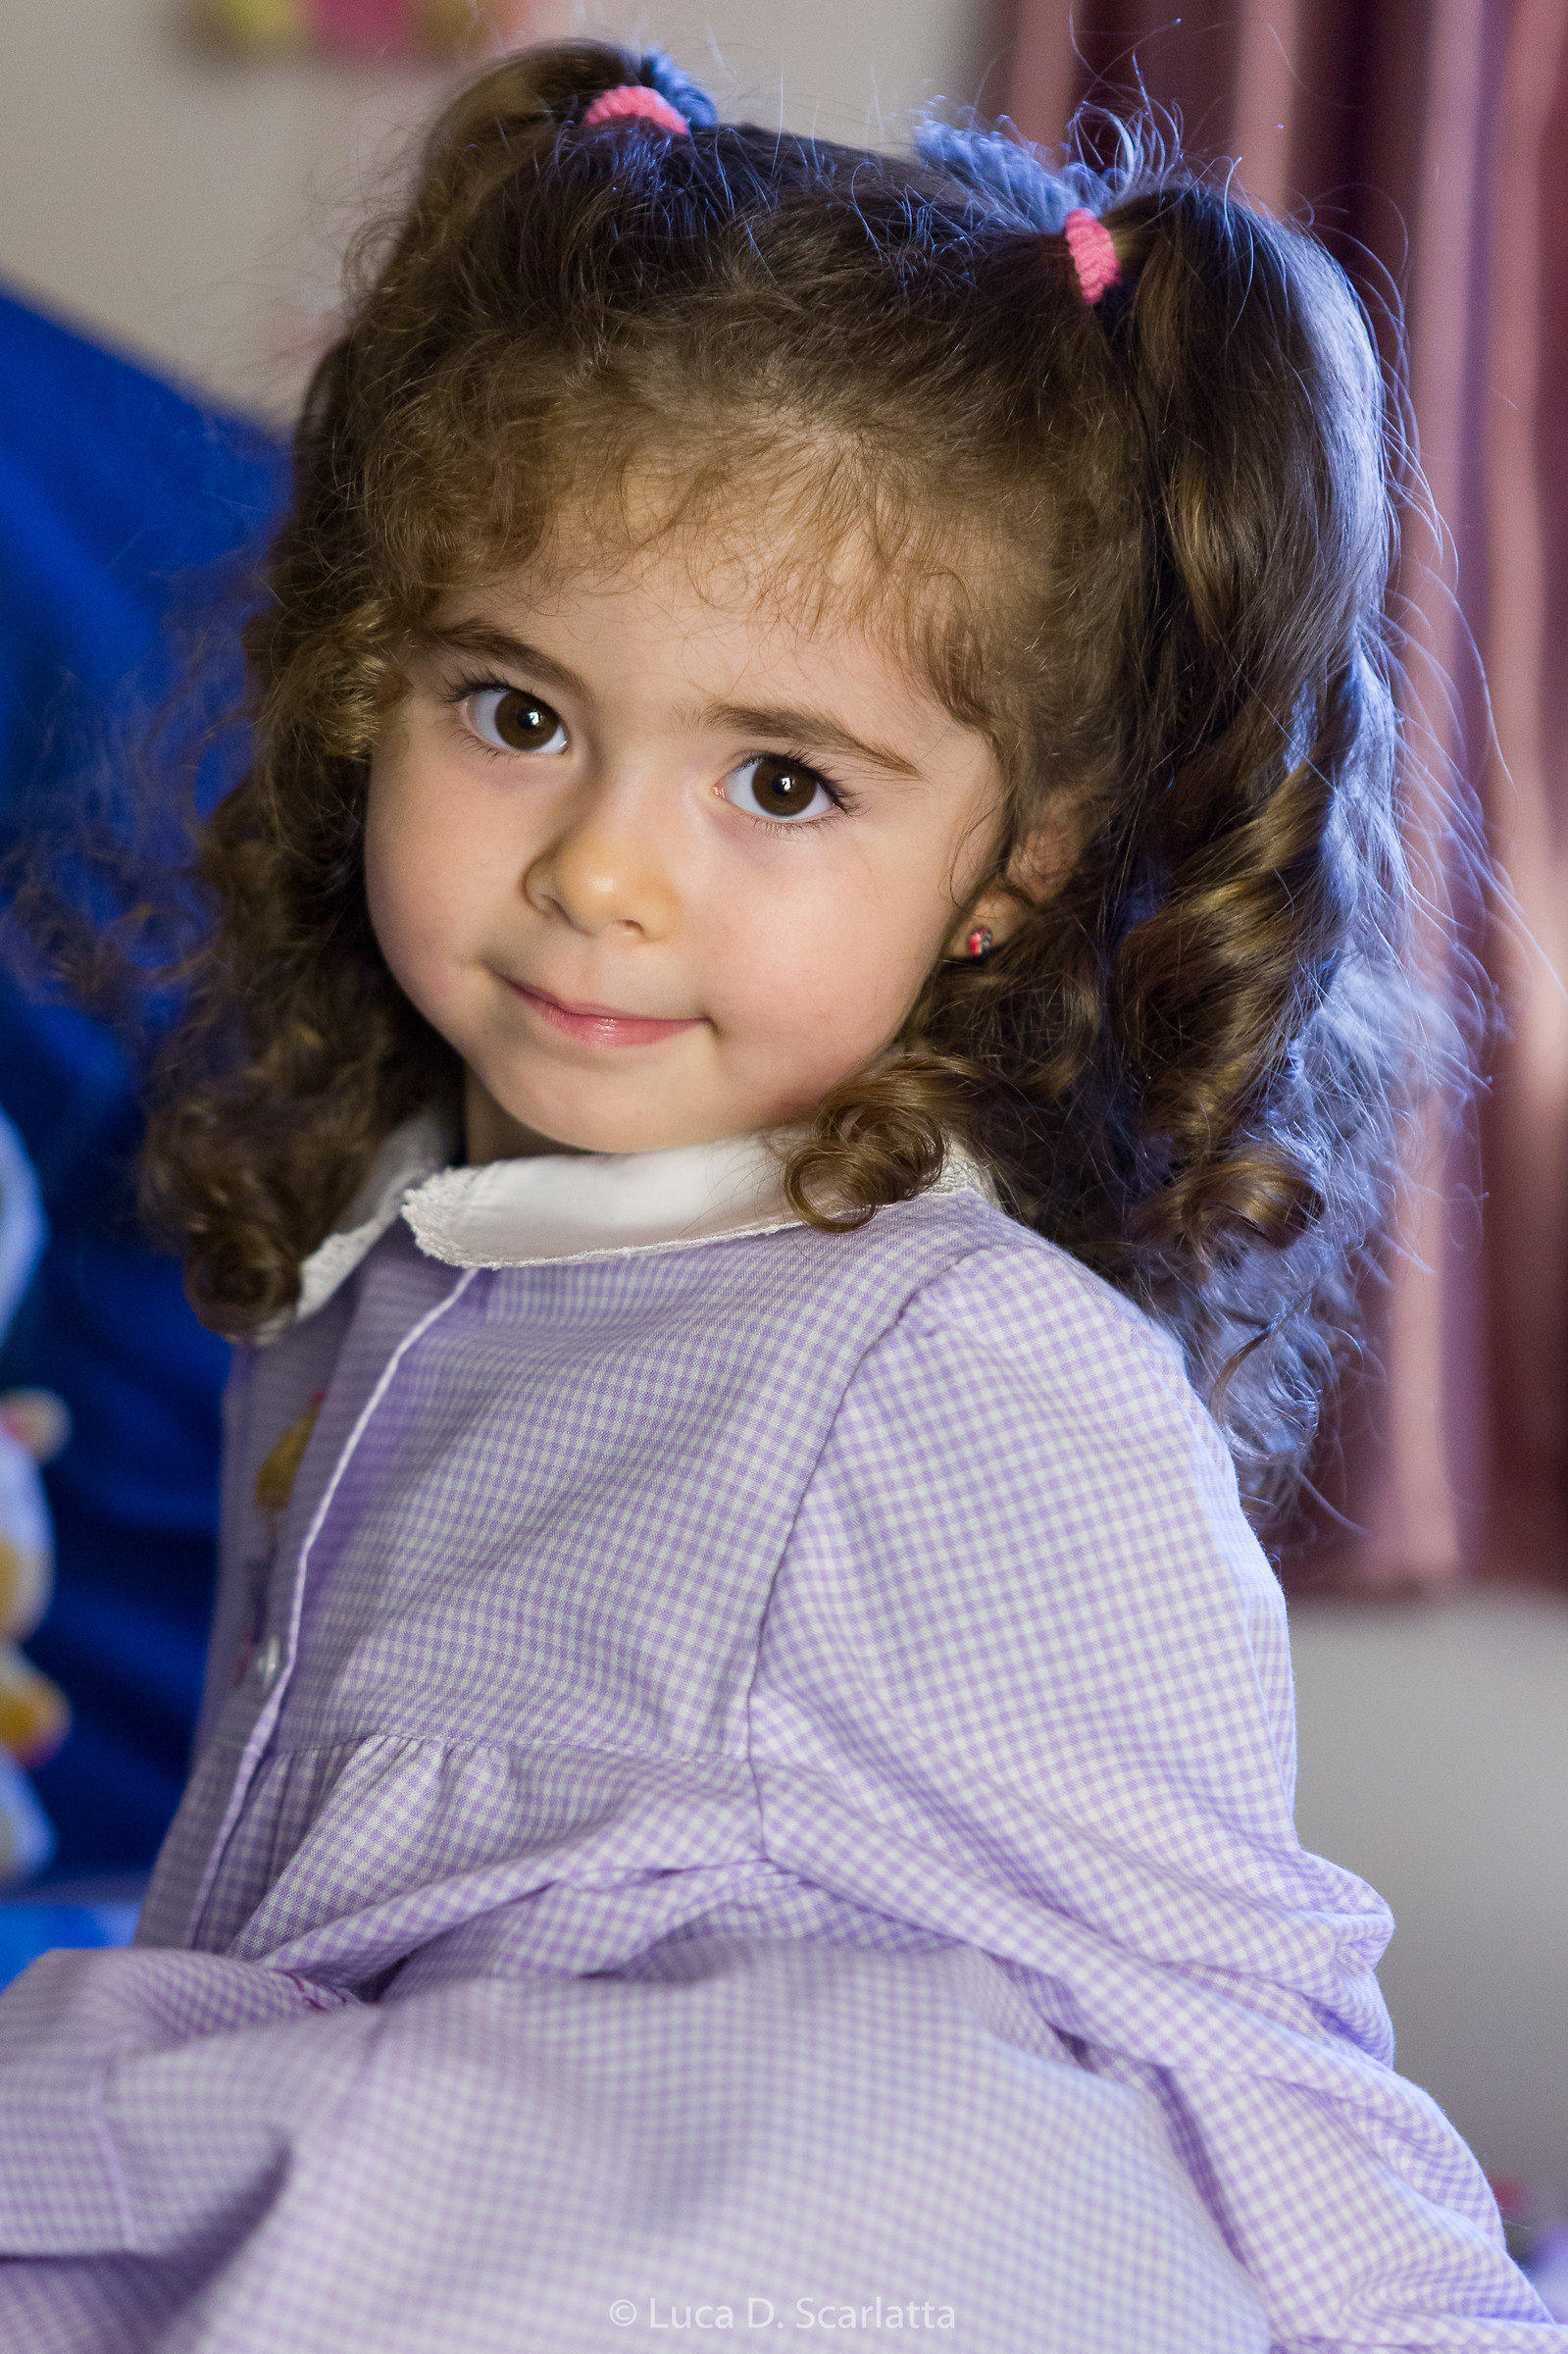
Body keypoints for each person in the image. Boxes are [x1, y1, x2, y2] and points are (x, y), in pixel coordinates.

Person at [0, 40, 1555, 2354]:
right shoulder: (388, 1247)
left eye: (781, 782)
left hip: (749, 2256)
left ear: (1012, 867)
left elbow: (1238, 2018)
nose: (600, 872)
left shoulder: (960, 1368)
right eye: (516, 714)